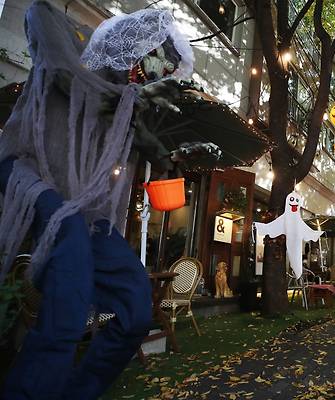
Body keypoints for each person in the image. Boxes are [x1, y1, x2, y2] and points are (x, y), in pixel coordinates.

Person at [0, 4, 197, 398]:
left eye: (165, 70)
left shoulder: (125, 103)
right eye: (155, 61)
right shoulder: (54, 23)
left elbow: (139, 136)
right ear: (137, 43)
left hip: (83, 207)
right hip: (28, 170)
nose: (153, 75)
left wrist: (161, 154)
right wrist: (131, 107)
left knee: (136, 305)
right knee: (70, 268)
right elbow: (62, 73)